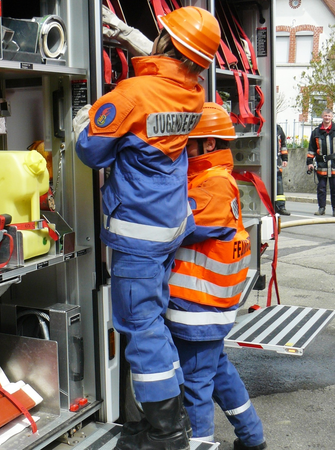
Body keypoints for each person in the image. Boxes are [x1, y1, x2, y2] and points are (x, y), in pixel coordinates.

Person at [73, 7, 221, 450]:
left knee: (142, 333)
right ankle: (154, 425)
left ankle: (167, 433)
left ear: (166, 43)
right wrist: (139, 43)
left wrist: (86, 119)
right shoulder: (192, 95)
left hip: (137, 234)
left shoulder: (132, 93)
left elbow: (91, 153)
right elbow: (175, 78)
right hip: (166, 229)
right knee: (154, 327)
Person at [166, 103, 267, 450]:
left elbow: (173, 225)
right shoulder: (213, 179)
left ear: (208, 144)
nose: (179, 147)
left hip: (197, 310)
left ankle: (200, 445)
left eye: (186, 142)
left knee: (196, 387)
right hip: (207, 308)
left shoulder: (212, 186)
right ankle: (252, 437)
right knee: (218, 373)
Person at [307, 108, 335, 216]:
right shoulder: (316, 132)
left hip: (334, 164)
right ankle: (321, 208)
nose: (327, 118)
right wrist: (309, 162)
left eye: (329, 116)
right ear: (322, 117)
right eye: (325, 116)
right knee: (321, 189)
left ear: (331, 117)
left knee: (334, 189)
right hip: (321, 165)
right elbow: (311, 148)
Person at [275, 123, 290, 215]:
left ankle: (280, 206)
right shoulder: (260, 126)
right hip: (264, 161)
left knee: (279, 183)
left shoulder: (278, 128)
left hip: (277, 161)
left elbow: (283, 144)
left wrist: (285, 158)